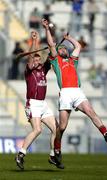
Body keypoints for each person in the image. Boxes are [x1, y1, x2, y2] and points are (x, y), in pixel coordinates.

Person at [41, 19, 107, 169]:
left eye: (64, 48)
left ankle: (105, 133)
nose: (64, 50)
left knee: (90, 111)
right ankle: (56, 152)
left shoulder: (73, 61)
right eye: (61, 48)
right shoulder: (56, 61)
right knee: (62, 127)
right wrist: (47, 29)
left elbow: (78, 46)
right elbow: (51, 45)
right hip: (66, 93)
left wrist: (69, 39)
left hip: (77, 91)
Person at [15, 30, 57, 170]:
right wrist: (34, 41)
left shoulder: (43, 70)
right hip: (32, 103)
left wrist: (52, 46)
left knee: (56, 129)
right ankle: (21, 154)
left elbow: (52, 55)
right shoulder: (29, 71)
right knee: (37, 129)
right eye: (35, 60)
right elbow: (32, 55)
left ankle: (52, 155)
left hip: (43, 104)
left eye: (39, 59)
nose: (37, 61)